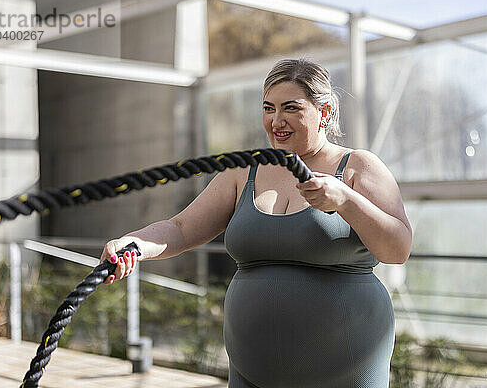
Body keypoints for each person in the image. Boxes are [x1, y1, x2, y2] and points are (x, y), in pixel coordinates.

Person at [100, 58, 412, 387]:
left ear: (325, 111)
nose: (277, 121)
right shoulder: (243, 170)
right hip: (251, 372)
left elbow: (398, 249)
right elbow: (181, 229)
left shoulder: (358, 167)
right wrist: (134, 244)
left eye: (291, 108)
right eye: (268, 108)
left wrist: (347, 201)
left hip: (347, 367)